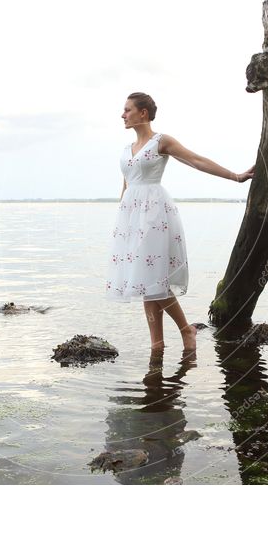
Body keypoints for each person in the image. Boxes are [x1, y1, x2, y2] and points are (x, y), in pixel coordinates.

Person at [105, 92, 254, 351]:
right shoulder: (125, 150)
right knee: (144, 280)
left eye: (127, 110)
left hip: (154, 215)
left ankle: (186, 330)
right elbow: (127, 184)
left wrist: (235, 176)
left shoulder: (161, 142)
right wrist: (123, 223)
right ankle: (157, 344)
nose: (122, 115)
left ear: (143, 113)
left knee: (155, 281)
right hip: (130, 219)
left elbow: (196, 160)